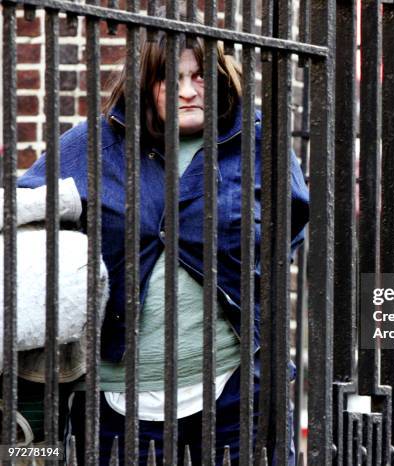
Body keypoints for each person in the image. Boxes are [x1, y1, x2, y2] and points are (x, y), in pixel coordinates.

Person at [17, 6, 309, 465]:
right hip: (114, 404)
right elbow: (25, 221)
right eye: (170, 78)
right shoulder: (92, 145)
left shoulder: (258, 144)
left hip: (232, 393)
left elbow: (290, 224)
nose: (188, 91)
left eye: (200, 77)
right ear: (147, 82)